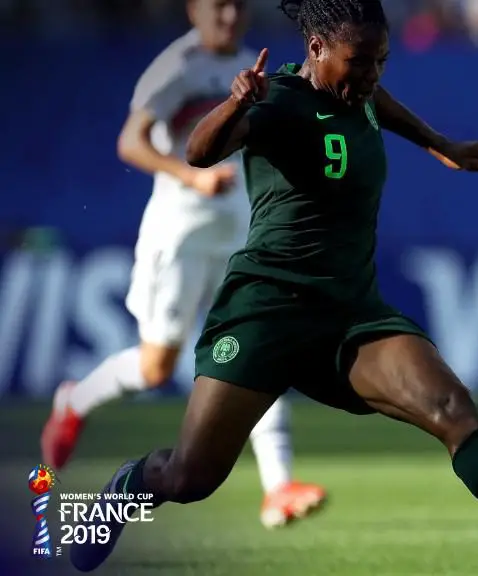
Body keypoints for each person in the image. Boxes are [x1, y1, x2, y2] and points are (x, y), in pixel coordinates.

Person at [68, 0, 478, 574]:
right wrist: (238, 101)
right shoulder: (280, 99)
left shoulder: (357, 92)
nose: (371, 75)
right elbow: (198, 151)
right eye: (359, 61)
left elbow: (378, 103)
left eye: (381, 61)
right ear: (316, 49)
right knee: (190, 477)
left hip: (349, 314)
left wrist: (439, 142)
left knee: (452, 408)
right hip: (266, 312)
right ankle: (124, 489)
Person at [40, 0, 326, 530]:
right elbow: (131, 142)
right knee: (156, 368)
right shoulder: (176, 68)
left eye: (238, 6)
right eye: (218, 6)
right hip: (180, 235)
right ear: (195, 10)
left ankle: (279, 486)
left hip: (237, 232)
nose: (230, 16)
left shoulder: (249, 65)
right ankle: (75, 401)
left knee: (258, 346)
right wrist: (191, 175)